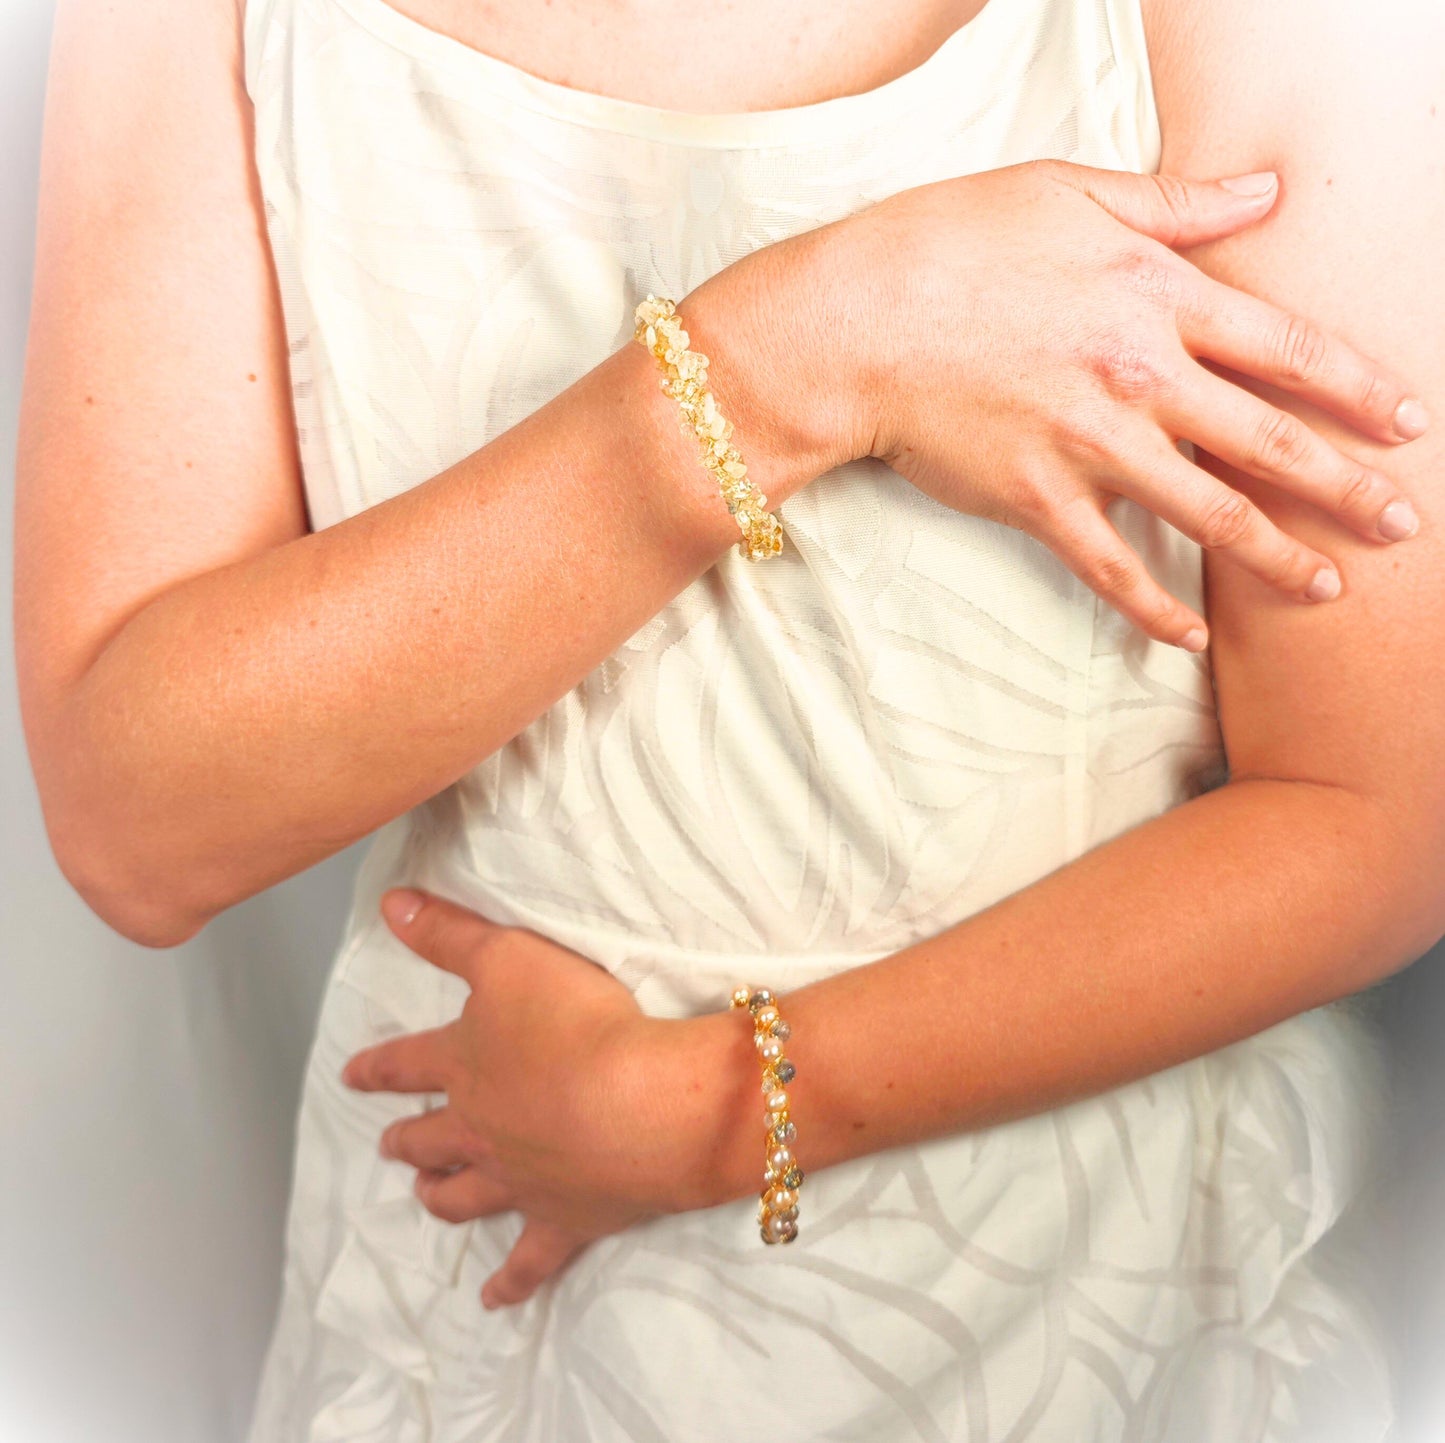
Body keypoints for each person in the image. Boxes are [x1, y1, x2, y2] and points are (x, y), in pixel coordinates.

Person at [13, 0, 1445, 1437]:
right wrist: (801, 354)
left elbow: (1368, 818)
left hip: (1081, 1306)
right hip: (487, 1283)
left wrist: (703, 1113)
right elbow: (138, 824)